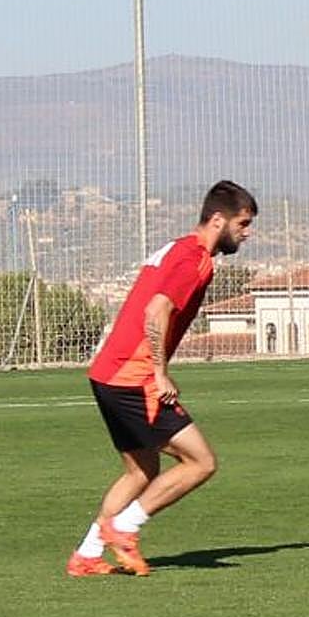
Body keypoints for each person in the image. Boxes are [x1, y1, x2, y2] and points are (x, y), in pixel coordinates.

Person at [66, 180, 257, 576]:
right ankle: (123, 528)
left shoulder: (176, 248)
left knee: (141, 471)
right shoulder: (196, 260)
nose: (247, 232)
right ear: (217, 219)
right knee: (200, 462)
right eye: (243, 223)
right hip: (134, 377)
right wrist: (160, 372)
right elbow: (156, 310)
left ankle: (86, 555)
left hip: (107, 373)